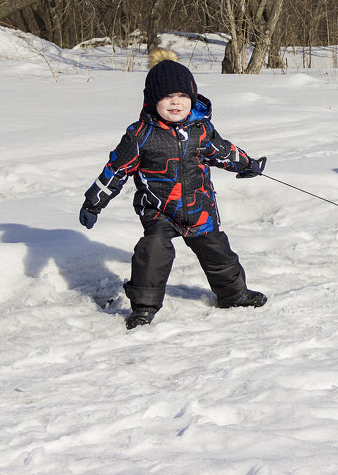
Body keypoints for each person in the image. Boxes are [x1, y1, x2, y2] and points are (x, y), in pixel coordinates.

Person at [80, 50, 268, 329]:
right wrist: (93, 203)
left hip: (199, 207)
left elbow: (223, 152)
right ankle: (144, 307)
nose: (175, 102)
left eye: (182, 96)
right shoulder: (140, 135)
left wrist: (247, 164)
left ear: (192, 99)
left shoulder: (201, 130)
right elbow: (116, 170)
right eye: (167, 97)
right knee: (153, 249)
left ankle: (232, 294)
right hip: (159, 209)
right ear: (153, 100)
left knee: (218, 252)